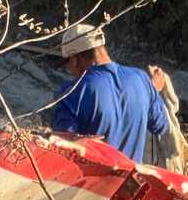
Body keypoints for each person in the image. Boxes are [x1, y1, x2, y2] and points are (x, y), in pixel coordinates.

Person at [52, 23, 169, 164]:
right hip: (128, 181)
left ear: (75, 59)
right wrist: (152, 91)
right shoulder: (141, 79)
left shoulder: (70, 93)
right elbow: (160, 126)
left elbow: (63, 146)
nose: (69, 69)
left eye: (68, 63)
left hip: (89, 183)